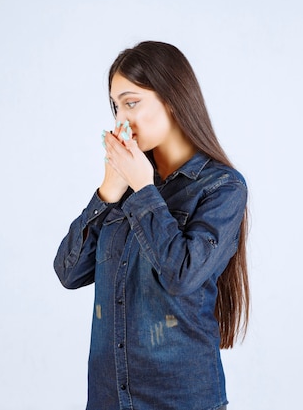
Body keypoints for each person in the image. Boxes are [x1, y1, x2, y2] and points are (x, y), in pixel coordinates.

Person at [54, 41, 249, 410]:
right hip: (110, 399)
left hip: (182, 400)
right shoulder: (126, 185)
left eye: (131, 102)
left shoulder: (223, 187)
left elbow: (182, 276)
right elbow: (68, 272)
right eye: (115, 107)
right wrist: (109, 191)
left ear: (172, 99)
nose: (120, 121)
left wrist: (144, 190)